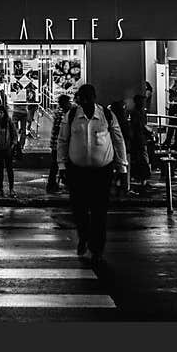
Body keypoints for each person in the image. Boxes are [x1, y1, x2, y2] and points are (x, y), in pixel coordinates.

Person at [57, 84, 128, 268]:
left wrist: (122, 169)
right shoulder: (71, 116)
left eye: (89, 97)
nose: (86, 101)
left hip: (102, 172)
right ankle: (83, 236)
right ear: (79, 99)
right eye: (83, 97)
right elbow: (63, 141)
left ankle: (97, 249)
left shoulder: (107, 115)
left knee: (99, 212)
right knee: (79, 210)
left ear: (95, 97)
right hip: (77, 171)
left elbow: (118, 140)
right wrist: (62, 166)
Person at [47, 94, 73, 193]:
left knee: (57, 165)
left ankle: (59, 183)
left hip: (57, 143)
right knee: (56, 165)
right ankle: (52, 185)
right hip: (58, 144)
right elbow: (61, 129)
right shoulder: (61, 114)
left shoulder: (61, 112)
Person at [0, 105, 18, 197]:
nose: (0, 114)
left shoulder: (9, 122)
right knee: (0, 170)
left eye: (1, 112)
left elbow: (15, 135)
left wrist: (12, 146)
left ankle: (11, 189)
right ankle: (0, 189)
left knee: (9, 169)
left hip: (7, 149)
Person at [129, 95, 153, 190]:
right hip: (140, 140)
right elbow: (140, 126)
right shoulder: (138, 113)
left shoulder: (136, 112)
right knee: (143, 160)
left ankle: (141, 180)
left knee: (141, 160)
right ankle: (143, 181)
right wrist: (149, 131)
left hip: (139, 139)